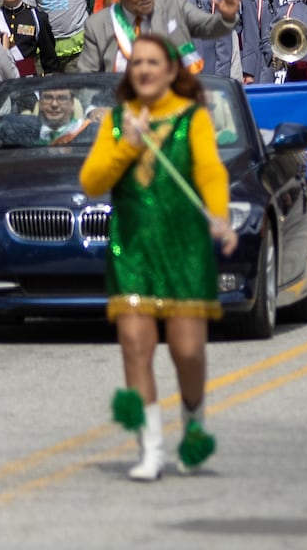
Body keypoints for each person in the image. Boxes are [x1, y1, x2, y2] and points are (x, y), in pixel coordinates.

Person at [79, 33, 237, 481]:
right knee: (135, 347)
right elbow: (91, 181)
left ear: (171, 72)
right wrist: (127, 143)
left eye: (153, 62)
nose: (144, 70)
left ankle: (193, 424)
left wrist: (219, 216)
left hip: (184, 248)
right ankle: (149, 448)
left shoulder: (193, 117)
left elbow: (209, 169)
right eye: (137, 63)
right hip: (131, 249)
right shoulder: (117, 120)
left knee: (187, 351)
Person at [77, 0, 238, 73]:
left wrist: (226, 17)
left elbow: (207, 27)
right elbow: (88, 75)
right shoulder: (99, 25)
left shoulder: (172, 4)